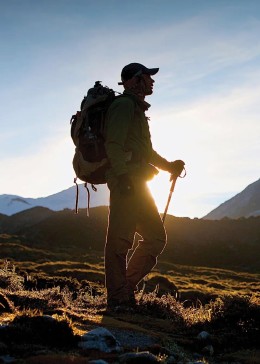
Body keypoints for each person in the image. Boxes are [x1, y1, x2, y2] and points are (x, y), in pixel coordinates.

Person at [104, 62, 185, 310]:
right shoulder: (123, 106)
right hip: (127, 183)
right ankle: (118, 299)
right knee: (119, 242)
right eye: (148, 77)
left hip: (138, 183)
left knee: (156, 238)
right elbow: (113, 144)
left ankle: (124, 291)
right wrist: (123, 177)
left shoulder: (137, 111)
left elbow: (145, 152)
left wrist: (169, 166)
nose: (152, 82)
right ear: (136, 80)